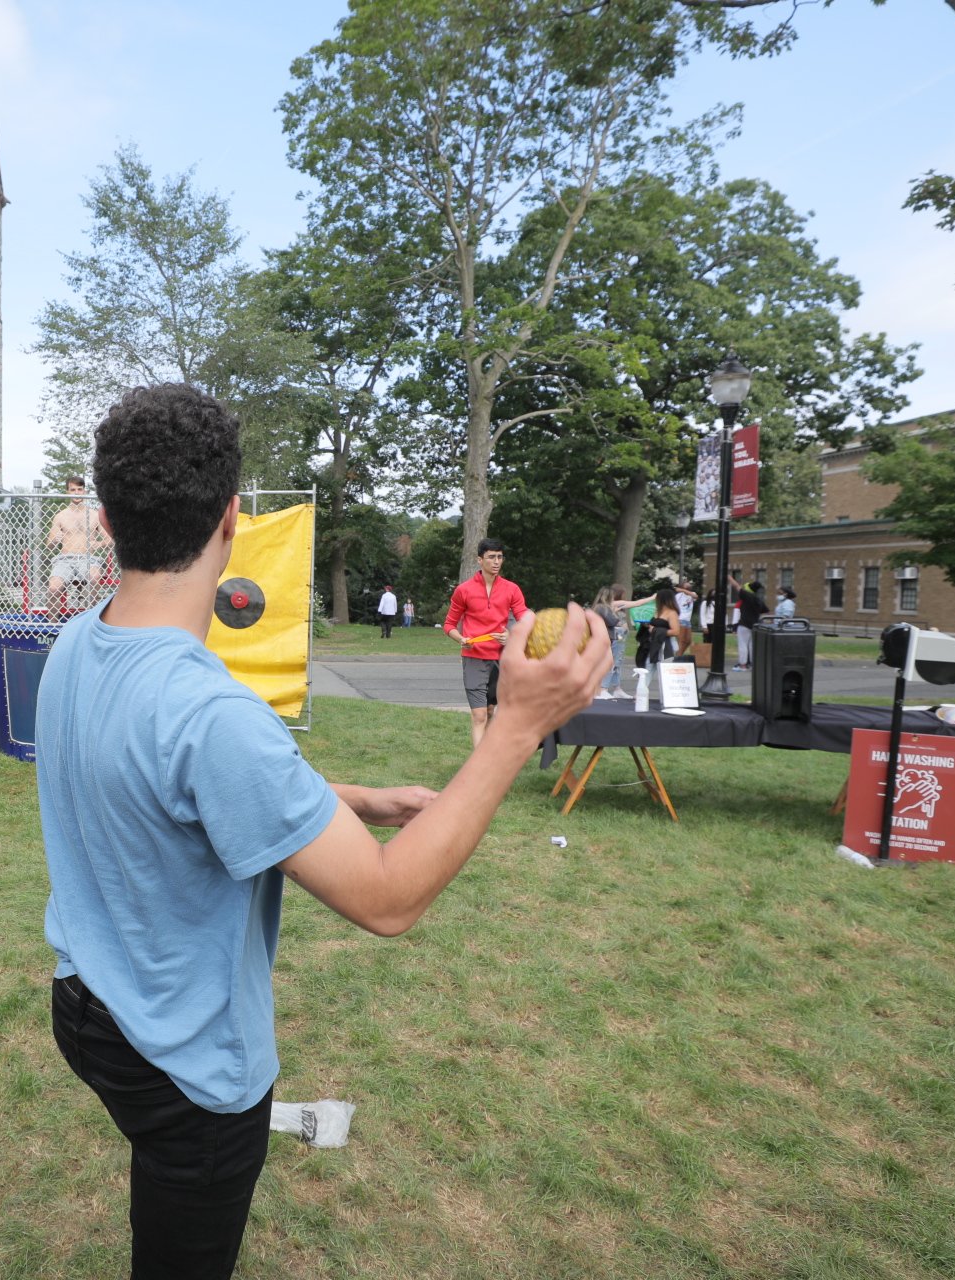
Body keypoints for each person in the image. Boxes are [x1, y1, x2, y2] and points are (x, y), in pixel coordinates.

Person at [36, 384, 609, 1276]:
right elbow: (386, 899)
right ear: (232, 520)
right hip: (185, 1065)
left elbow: (169, 783)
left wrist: (361, 798)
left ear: (105, 521)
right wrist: (517, 728)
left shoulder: (77, 642)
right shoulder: (212, 714)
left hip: (86, 1008)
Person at [444, 539, 527, 746]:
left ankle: (487, 754)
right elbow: (449, 625)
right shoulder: (464, 590)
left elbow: (525, 620)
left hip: (502, 659)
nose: (496, 561)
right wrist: (461, 639)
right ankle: (480, 763)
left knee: (490, 711)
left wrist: (512, 636)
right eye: (491, 557)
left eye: (500, 557)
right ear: (480, 560)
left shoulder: (512, 589)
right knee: (479, 715)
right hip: (474, 658)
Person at [46, 476, 112, 612]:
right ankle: (53, 624)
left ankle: (88, 617)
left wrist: (99, 544)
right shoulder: (60, 516)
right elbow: (49, 545)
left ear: (84, 491)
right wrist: (54, 540)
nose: (76, 493)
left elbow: (110, 540)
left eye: (79, 489)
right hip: (64, 560)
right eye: (73, 490)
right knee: (53, 588)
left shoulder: (94, 515)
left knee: (94, 578)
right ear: (67, 493)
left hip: (88, 559)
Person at [591, 584, 629, 699]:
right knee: (606, 663)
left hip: (601, 637)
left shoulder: (597, 607)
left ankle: (598, 690)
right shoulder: (603, 608)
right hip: (606, 637)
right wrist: (615, 612)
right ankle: (600, 690)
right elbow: (613, 621)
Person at [729, 576, 767, 671]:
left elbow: (736, 586)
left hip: (745, 624)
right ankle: (752, 664)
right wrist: (756, 615)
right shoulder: (758, 599)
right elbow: (765, 611)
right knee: (751, 645)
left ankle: (743, 665)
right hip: (755, 625)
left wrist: (729, 577)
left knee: (743, 645)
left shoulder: (747, 596)